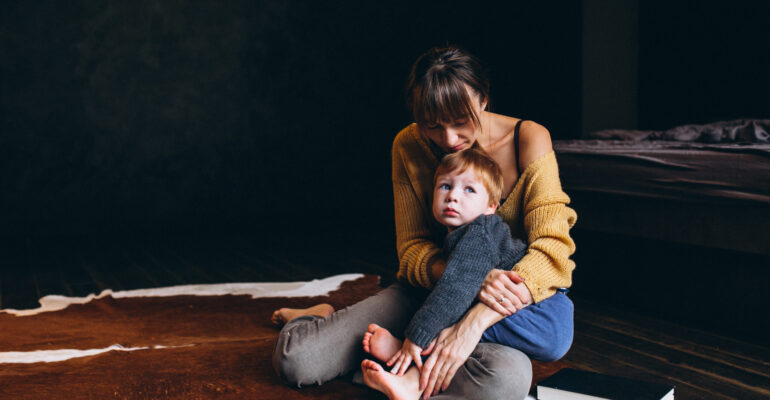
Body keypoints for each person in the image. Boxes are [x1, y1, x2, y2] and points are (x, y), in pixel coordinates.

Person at [271, 45, 577, 400]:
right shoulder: (408, 145)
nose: (448, 140)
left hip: (504, 307)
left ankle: (401, 362)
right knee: (299, 361)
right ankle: (322, 319)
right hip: (428, 292)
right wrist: (463, 277)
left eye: (461, 122)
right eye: (432, 125)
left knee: (505, 380)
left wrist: (472, 322)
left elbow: (552, 247)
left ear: (483, 100)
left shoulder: (528, 137)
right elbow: (412, 249)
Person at [361, 146, 572, 398]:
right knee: (448, 309)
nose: (453, 196)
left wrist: (415, 338)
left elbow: (454, 291)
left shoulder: (480, 234)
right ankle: (406, 357)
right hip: (528, 314)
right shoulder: (461, 234)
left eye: (469, 189)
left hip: (544, 315)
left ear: (491, 206)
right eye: (445, 186)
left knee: (449, 311)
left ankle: (411, 377)